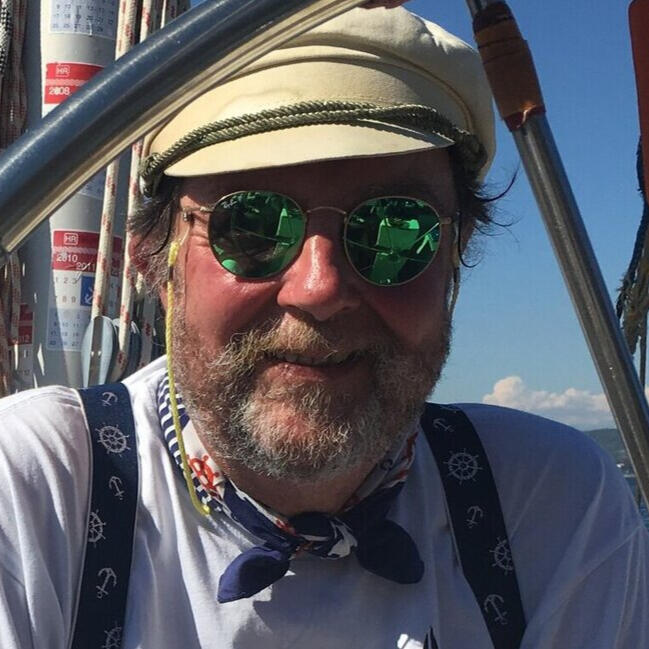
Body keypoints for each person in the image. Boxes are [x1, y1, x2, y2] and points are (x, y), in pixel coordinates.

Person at [1, 6, 648, 649]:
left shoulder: (548, 511)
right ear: (157, 260)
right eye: (251, 225)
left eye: (395, 230)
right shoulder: (38, 495)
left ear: (455, 258)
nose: (320, 289)